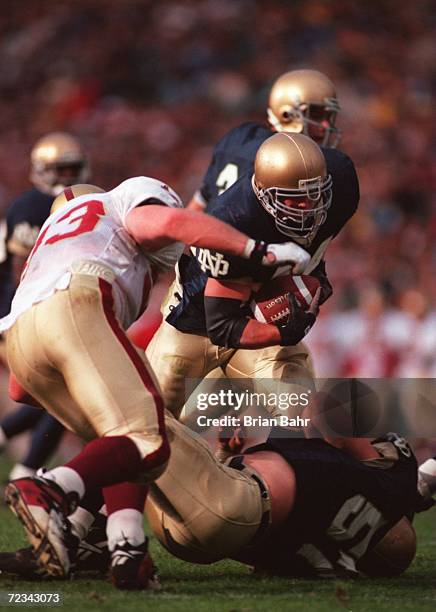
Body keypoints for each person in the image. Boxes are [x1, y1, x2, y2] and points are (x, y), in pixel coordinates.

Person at [0, 176, 311, 588]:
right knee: (147, 436)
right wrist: (259, 252)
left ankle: (124, 551)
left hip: (20, 338)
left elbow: (20, 391)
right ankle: (52, 488)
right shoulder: (120, 203)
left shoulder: (49, 246)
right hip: (76, 299)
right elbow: (162, 223)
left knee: (118, 437)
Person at [0, 417, 418, 581]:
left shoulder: (366, 479)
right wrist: (224, 454)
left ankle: (57, 493)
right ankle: (93, 541)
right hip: (218, 527)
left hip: (232, 505)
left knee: (136, 416)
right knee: (139, 438)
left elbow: (326, 418)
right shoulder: (338, 536)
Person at [146, 132, 359, 423]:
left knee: (298, 411)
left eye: (314, 195)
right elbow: (223, 326)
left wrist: (315, 283)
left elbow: (315, 254)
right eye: (293, 200)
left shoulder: (342, 185)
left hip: (260, 323)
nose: (307, 208)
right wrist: (285, 332)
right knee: (150, 423)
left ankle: (260, 463)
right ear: (264, 194)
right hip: (197, 325)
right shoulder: (233, 219)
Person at [0, 132, 89, 481]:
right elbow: (24, 275)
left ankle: (20, 463)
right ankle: (25, 470)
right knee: (61, 392)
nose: (67, 177)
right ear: (41, 170)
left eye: (72, 169)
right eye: (60, 169)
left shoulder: (84, 200)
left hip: (53, 312)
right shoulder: (30, 208)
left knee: (56, 396)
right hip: (22, 314)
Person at [188, 69, 341, 213]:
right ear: (286, 114)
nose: (325, 125)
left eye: (328, 116)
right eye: (316, 115)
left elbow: (200, 203)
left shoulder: (241, 136)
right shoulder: (285, 162)